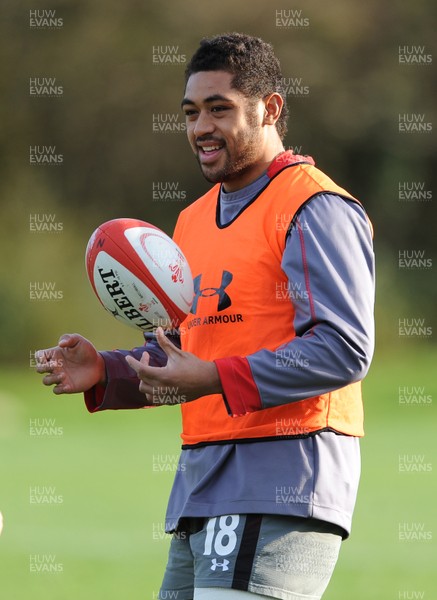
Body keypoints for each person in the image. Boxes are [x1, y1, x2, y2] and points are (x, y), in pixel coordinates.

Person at [37, 33, 375, 600]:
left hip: (283, 475)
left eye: (220, 109)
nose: (201, 128)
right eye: (191, 113)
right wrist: (108, 371)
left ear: (270, 109)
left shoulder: (314, 206)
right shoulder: (191, 222)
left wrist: (215, 377)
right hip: (201, 484)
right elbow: (187, 359)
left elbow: (345, 348)